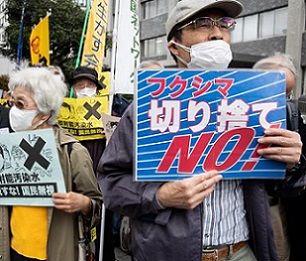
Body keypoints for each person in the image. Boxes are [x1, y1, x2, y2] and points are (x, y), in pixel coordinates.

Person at [97, 1, 302, 261]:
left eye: (225, 24)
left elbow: (280, 187)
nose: (217, 33)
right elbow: (110, 183)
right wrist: (160, 196)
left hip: (242, 252)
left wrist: (294, 163)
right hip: (170, 254)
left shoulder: (254, 105)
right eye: (203, 23)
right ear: (174, 47)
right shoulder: (148, 109)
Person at [0, 67, 102, 261]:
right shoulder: (9, 147)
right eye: (11, 103)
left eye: (20, 104)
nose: (13, 111)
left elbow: (98, 207)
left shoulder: (73, 152)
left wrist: (85, 204)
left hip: (55, 252)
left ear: (45, 112)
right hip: (13, 250)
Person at [254, 54, 306, 261]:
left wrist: (296, 163)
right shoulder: (232, 115)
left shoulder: (291, 118)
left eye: (286, 94)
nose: (279, 102)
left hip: (273, 204)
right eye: (272, 92)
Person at [69, 66, 115, 261]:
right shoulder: (65, 114)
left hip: (103, 185)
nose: (85, 88)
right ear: (73, 89)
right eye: (80, 85)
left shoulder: (110, 111)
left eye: (89, 85)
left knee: (105, 237)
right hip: (75, 185)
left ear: (97, 89)